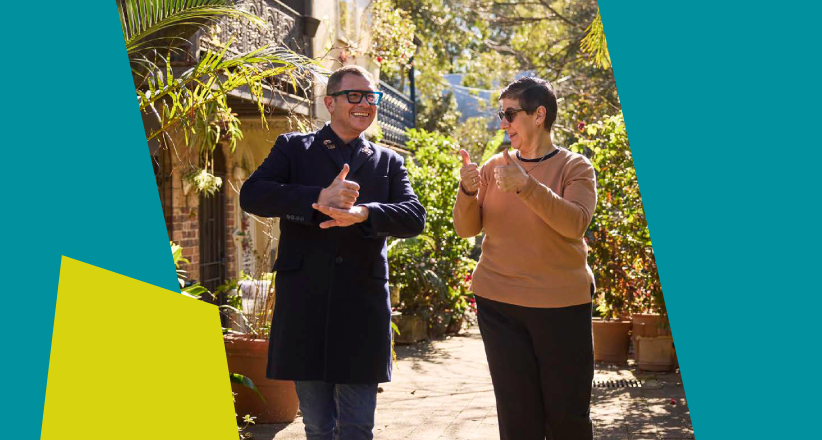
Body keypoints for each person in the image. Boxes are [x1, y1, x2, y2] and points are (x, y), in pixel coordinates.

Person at [239, 65, 426, 440]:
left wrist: (364, 214)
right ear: (329, 103)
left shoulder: (387, 161)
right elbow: (253, 195)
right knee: (318, 426)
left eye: (371, 96)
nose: (365, 104)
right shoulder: (294, 148)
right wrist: (316, 198)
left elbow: (414, 217)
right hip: (305, 305)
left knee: (358, 427)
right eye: (353, 96)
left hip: (362, 308)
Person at [452, 76, 597, 440]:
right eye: (501, 114)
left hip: (561, 305)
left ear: (539, 115)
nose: (503, 123)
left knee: (567, 416)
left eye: (510, 114)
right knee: (517, 416)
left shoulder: (574, 167)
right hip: (498, 304)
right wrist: (467, 191)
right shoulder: (492, 166)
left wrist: (526, 186)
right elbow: (467, 229)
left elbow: (575, 223)